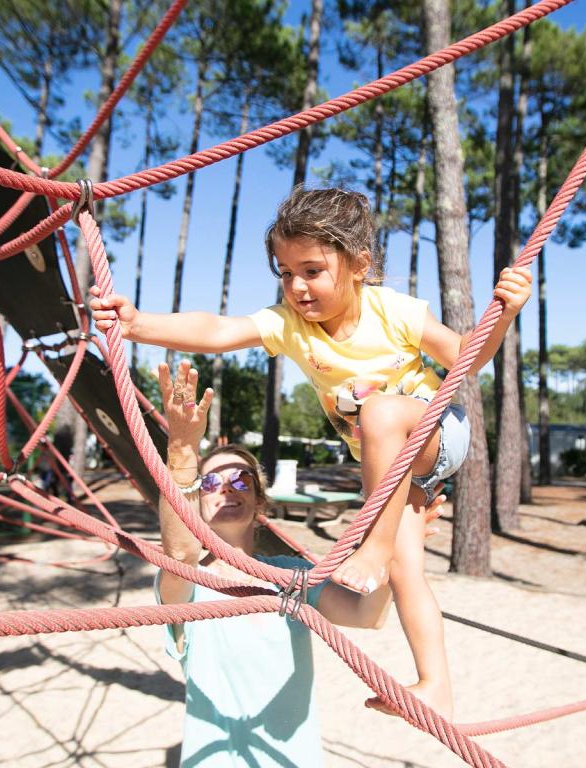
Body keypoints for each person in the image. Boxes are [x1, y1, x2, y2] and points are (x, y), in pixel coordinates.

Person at [92, 186, 532, 717]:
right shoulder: (289, 325)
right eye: (285, 272)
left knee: (380, 415)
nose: (296, 286)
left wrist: (502, 315)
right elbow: (217, 328)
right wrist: (139, 325)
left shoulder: (392, 310)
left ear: (358, 265)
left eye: (312, 270)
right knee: (405, 566)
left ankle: (370, 545)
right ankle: (434, 684)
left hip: (436, 433)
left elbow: (465, 357)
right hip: (393, 474)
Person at [154, 360, 445, 767]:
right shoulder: (191, 581)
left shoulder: (292, 574)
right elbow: (180, 553)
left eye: (241, 482)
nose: (227, 491)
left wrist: (396, 543)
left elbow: (367, 615)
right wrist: (183, 450)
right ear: (197, 502)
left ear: (259, 502)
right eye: (211, 484)